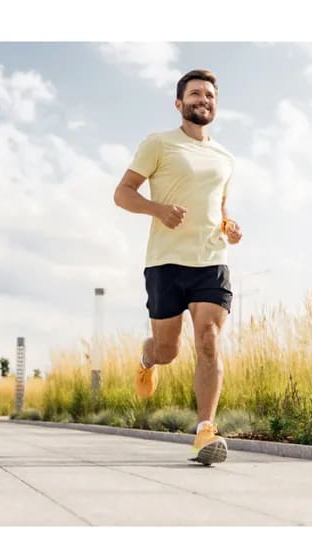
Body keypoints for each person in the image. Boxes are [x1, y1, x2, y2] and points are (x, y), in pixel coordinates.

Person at [113, 69, 243, 466]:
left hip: (210, 260)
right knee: (168, 350)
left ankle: (205, 430)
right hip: (166, 262)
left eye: (209, 95)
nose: (203, 99)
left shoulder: (226, 158)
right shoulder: (159, 144)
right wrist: (159, 210)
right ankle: (147, 359)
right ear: (179, 103)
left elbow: (217, 209)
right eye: (195, 94)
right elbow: (122, 194)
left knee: (208, 339)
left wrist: (229, 226)